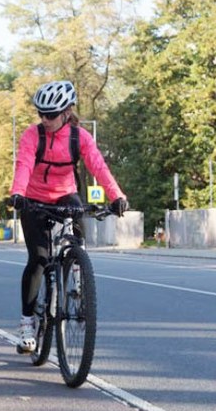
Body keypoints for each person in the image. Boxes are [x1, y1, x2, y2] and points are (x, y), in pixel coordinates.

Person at [8, 80, 128, 354]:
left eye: (50, 115)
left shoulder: (79, 137)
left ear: (66, 112)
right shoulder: (32, 136)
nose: (45, 119)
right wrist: (17, 193)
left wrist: (117, 196)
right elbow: (24, 164)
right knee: (38, 259)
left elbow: (98, 165)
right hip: (34, 198)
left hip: (64, 194)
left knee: (77, 217)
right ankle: (27, 322)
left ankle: (76, 271)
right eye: (41, 114)